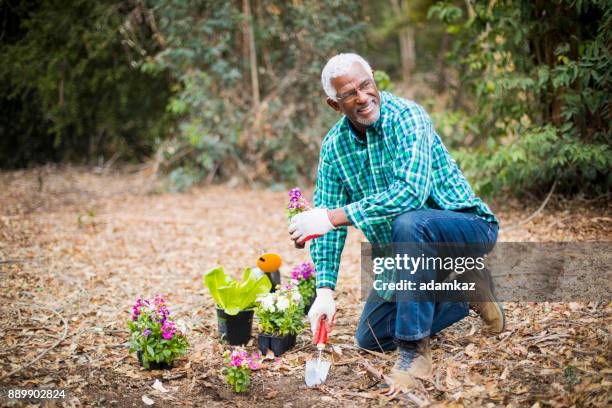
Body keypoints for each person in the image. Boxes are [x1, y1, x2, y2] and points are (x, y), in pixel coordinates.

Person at [288, 53, 504, 391]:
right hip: (409, 252)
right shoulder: (334, 147)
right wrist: (325, 290)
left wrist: (333, 217)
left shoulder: (407, 117)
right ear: (335, 104)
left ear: (374, 78)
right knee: (372, 336)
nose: (362, 97)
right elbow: (326, 226)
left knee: (409, 221)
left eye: (365, 85)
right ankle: (466, 291)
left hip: (466, 228)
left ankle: (414, 352)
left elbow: (410, 194)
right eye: (349, 94)